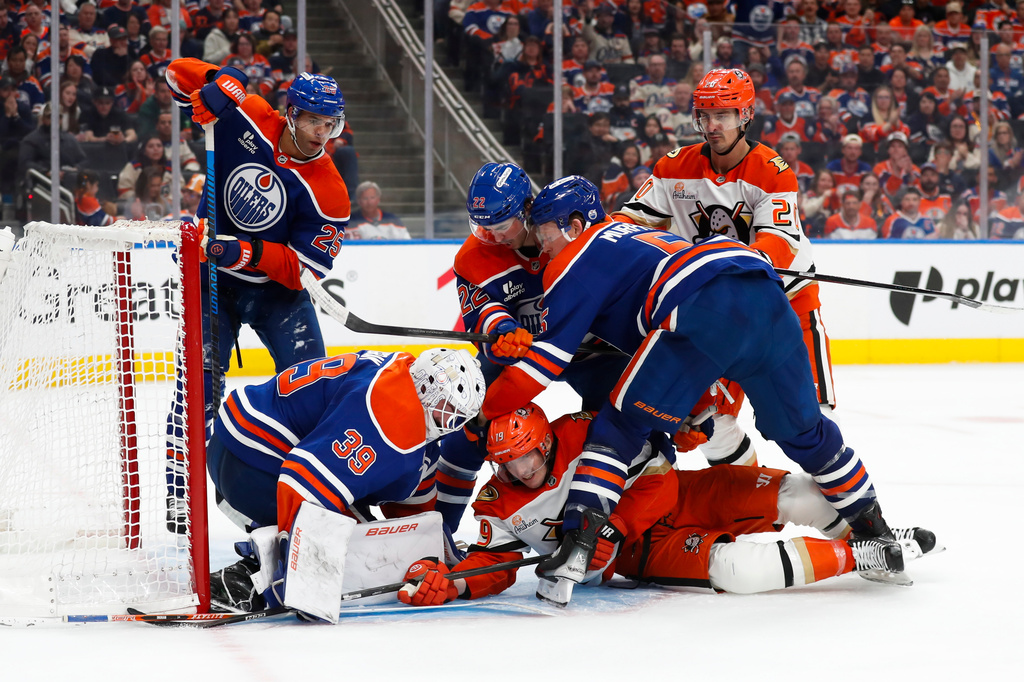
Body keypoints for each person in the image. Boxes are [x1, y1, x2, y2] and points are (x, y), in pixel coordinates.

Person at [481, 174, 903, 590]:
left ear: (574, 225)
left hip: (702, 305)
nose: (540, 243)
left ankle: (577, 544)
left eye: (545, 230)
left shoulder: (571, 259)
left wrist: (485, 409)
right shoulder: (632, 234)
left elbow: (543, 365)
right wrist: (686, 407)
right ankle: (874, 528)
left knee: (620, 426)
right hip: (767, 298)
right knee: (806, 434)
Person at [398, 404, 938, 607]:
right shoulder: (495, 500)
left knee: (798, 491)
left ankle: (875, 541)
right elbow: (495, 562)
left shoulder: (585, 434)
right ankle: (858, 559)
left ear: (543, 441)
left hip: (682, 492)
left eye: (524, 457)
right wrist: (459, 583)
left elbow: (656, 477)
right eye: (505, 463)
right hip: (646, 552)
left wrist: (612, 524)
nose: (518, 471)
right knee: (736, 570)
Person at [161, 58, 351, 530]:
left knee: (313, 390)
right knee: (198, 389)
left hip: (277, 297)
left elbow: (300, 269)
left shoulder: (330, 191)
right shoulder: (248, 116)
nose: (320, 132)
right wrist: (222, 85)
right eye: (311, 120)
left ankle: (312, 490)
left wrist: (242, 251)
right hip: (214, 282)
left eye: (330, 123)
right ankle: (180, 489)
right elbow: (175, 72)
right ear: (291, 113)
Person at [613, 69, 840, 417]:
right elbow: (630, 222)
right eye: (704, 115)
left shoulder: (772, 172)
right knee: (712, 425)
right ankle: (757, 475)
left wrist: (727, 268)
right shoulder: (673, 167)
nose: (712, 125)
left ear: (745, 115)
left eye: (722, 115)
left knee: (814, 416)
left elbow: (777, 242)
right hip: (723, 312)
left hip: (786, 301)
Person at [205, 348, 486, 613]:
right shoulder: (391, 412)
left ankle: (262, 530)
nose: (448, 419)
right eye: (444, 407)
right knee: (364, 558)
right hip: (254, 463)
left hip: (237, 445)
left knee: (378, 542)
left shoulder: (401, 376)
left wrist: (434, 557)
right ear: (424, 388)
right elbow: (302, 483)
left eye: (456, 414)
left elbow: (415, 517)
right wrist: (307, 578)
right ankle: (245, 580)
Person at [435, 162, 631, 532]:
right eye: (482, 227)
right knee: (469, 428)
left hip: (591, 352)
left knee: (624, 423)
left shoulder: (561, 230)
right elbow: (481, 313)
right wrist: (501, 333)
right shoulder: (472, 257)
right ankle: (438, 531)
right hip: (522, 353)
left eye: (499, 225)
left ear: (526, 209)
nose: (490, 237)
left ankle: (623, 520)